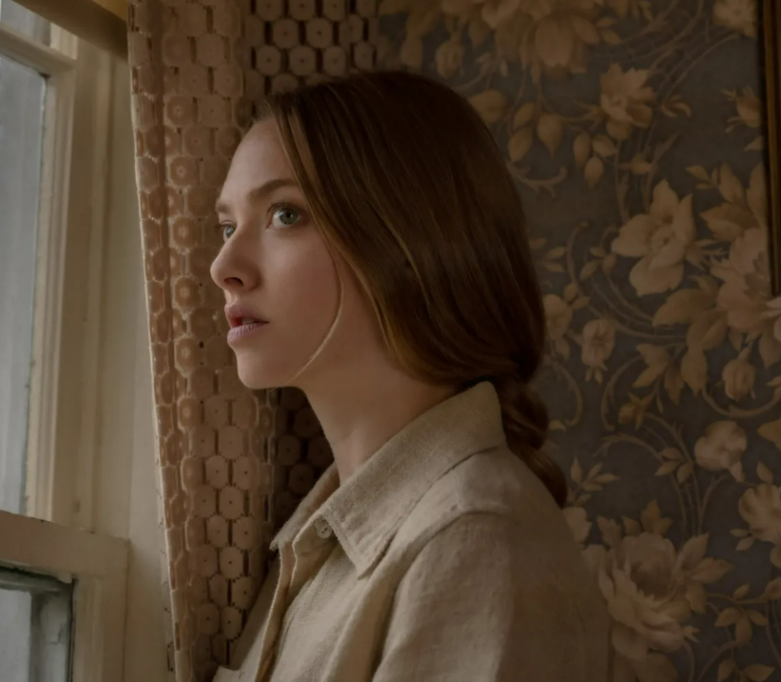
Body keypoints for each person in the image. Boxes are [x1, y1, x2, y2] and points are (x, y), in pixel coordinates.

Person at [210, 70, 610, 682]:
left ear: (409, 238)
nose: (224, 266)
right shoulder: (316, 546)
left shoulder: (472, 541)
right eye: (228, 226)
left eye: (285, 214)